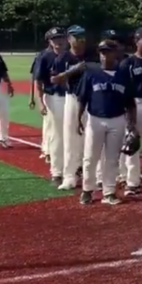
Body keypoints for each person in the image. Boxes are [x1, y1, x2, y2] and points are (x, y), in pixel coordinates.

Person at [77, 40, 137, 206]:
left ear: (115, 53)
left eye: (108, 52)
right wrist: (78, 119)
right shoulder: (91, 73)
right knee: (90, 157)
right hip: (95, 119)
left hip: (117, 120)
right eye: (102, 52)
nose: (104, 55)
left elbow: (130, 103)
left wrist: (132, 124)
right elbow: (82, 99)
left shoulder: (123, 74)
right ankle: (87, 190)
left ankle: (109, 192)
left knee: (112, 158)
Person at [51, 25, 97, 190]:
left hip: (92, 99)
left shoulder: (93, 55)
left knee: (93, 139)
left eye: (82, 37)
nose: (80, 40)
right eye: (76, 37)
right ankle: (69, 176)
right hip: (73, 98)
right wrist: (73, 71)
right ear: (69, 39)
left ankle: (94, 176)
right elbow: (55, 79)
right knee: (71, 138)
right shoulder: (63, 58)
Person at [119, 28, 142, 207]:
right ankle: (132, 182)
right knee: (133, 144)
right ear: (136, 41)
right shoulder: (128, 63)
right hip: (135, 104)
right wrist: (127, 114)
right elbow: (123, 90)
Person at [33, 28, 68, 186]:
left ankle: (72, 169)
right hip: (54, 98)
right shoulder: (45, 56)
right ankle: (57, 172)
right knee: (56, 135)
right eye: (55, 39)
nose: (58, 42)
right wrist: (40, 101)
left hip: (72, 98)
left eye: (61, 38)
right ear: (50, 41)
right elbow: (38, 81)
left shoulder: (71, 56)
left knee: (74, 135)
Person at [29, 43, 53, 162]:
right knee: (48, 124)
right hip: (47, 93)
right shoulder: (42, 55)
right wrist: (33, 98)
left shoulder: (64, 54)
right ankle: (46, 150)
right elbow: (35, 77)